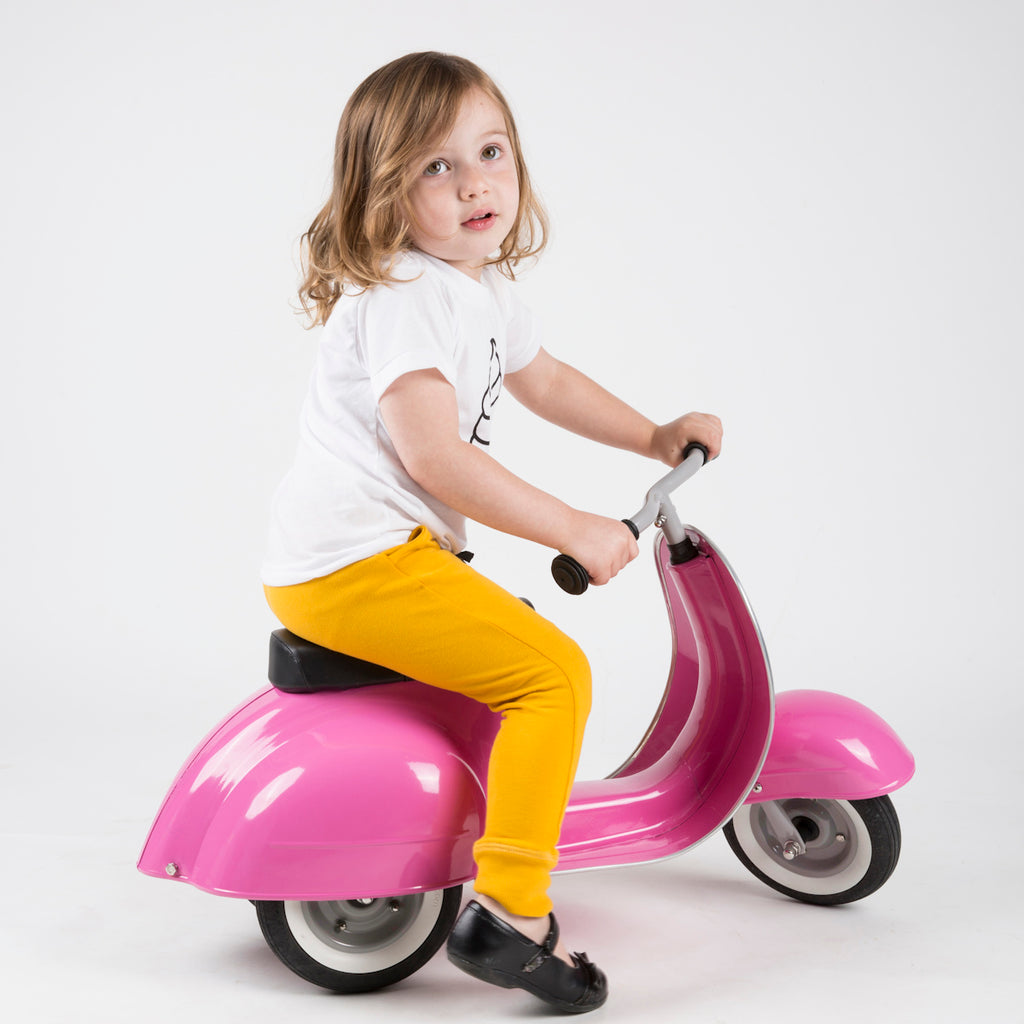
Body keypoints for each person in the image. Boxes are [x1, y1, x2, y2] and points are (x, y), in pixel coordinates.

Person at [261, 51, 722, 1014]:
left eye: (490, 150)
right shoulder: (403, 295)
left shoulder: (476, 291)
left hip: (377, 560)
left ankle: (485, 836)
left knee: (517, 659)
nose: (475, 182)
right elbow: (438, 460)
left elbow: (544, 379)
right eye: (436, 166)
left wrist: (651, 432)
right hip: (356, 567)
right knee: (554, 677)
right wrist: (576, 527)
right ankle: (510, 911)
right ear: (385, 194)